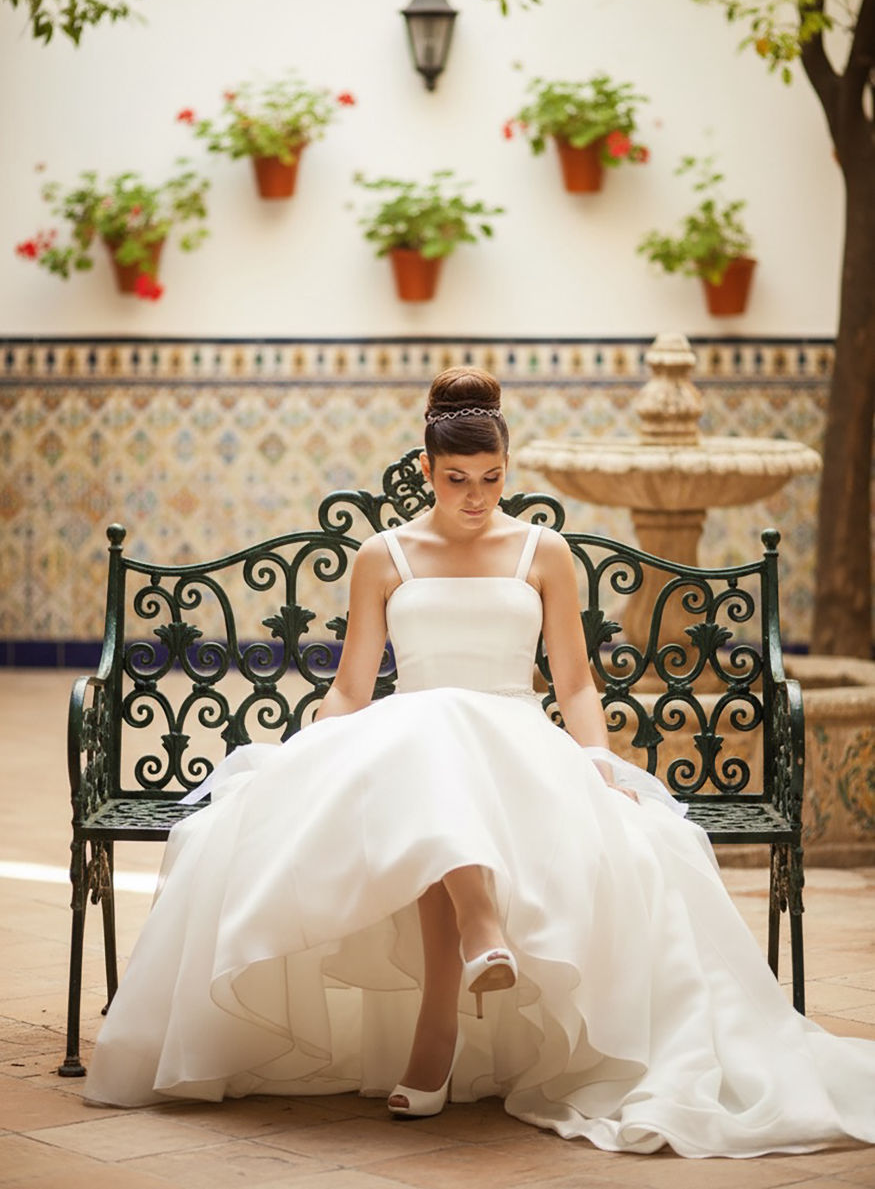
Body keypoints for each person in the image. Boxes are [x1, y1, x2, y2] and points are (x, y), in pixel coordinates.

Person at [84, 367, 875, 1157]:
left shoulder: (543, 551)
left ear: (508, 467)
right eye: (457, 479)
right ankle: (476, 937)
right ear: (425, 470)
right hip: (413, 738)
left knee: (445, 751)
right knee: (431, 740)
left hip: (514, 745)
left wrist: (597, 757)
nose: (475, 495)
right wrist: (312, 753)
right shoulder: (383, 556)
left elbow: (572, 678)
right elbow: (354, 684)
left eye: (492, 478)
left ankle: (438, 1027)